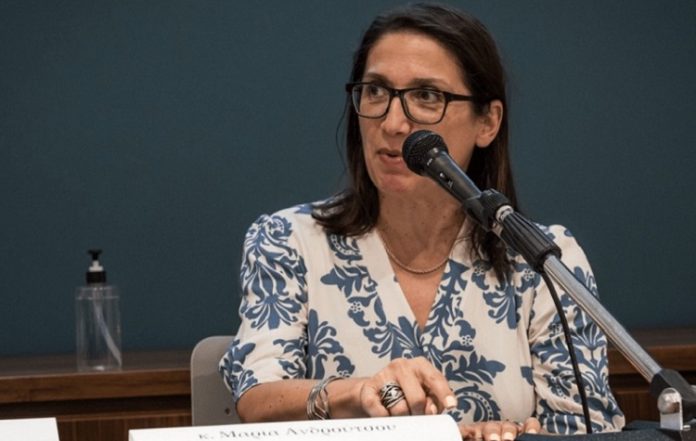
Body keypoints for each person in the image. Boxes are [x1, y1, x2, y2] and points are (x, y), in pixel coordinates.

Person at [220, 3, 625, 440]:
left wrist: (513, 437)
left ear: (487, 122)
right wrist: (359, 392)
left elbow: (587, 427)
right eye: (376, 91)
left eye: (427, 96)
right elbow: (257, 399)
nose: (393, 123)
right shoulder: (288, 240)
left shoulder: (542, 260)